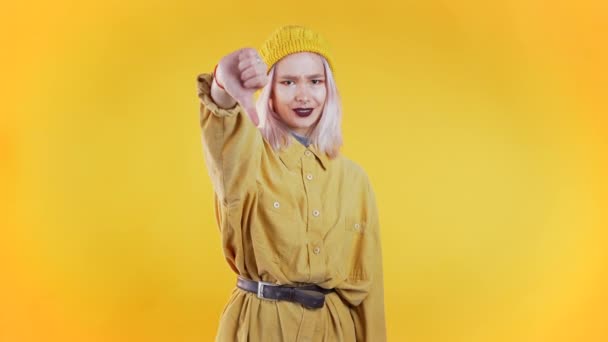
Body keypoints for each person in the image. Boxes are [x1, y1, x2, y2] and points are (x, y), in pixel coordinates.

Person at [195, 24, 386, 341]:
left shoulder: (355, 180)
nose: (303, 95)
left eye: (315, 81)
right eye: (287, 82)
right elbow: (223, 135)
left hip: (335, 331)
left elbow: (369, 287)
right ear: (268, 92)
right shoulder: (248, 159)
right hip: (261, 327)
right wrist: (221, 85)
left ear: (329, 90)